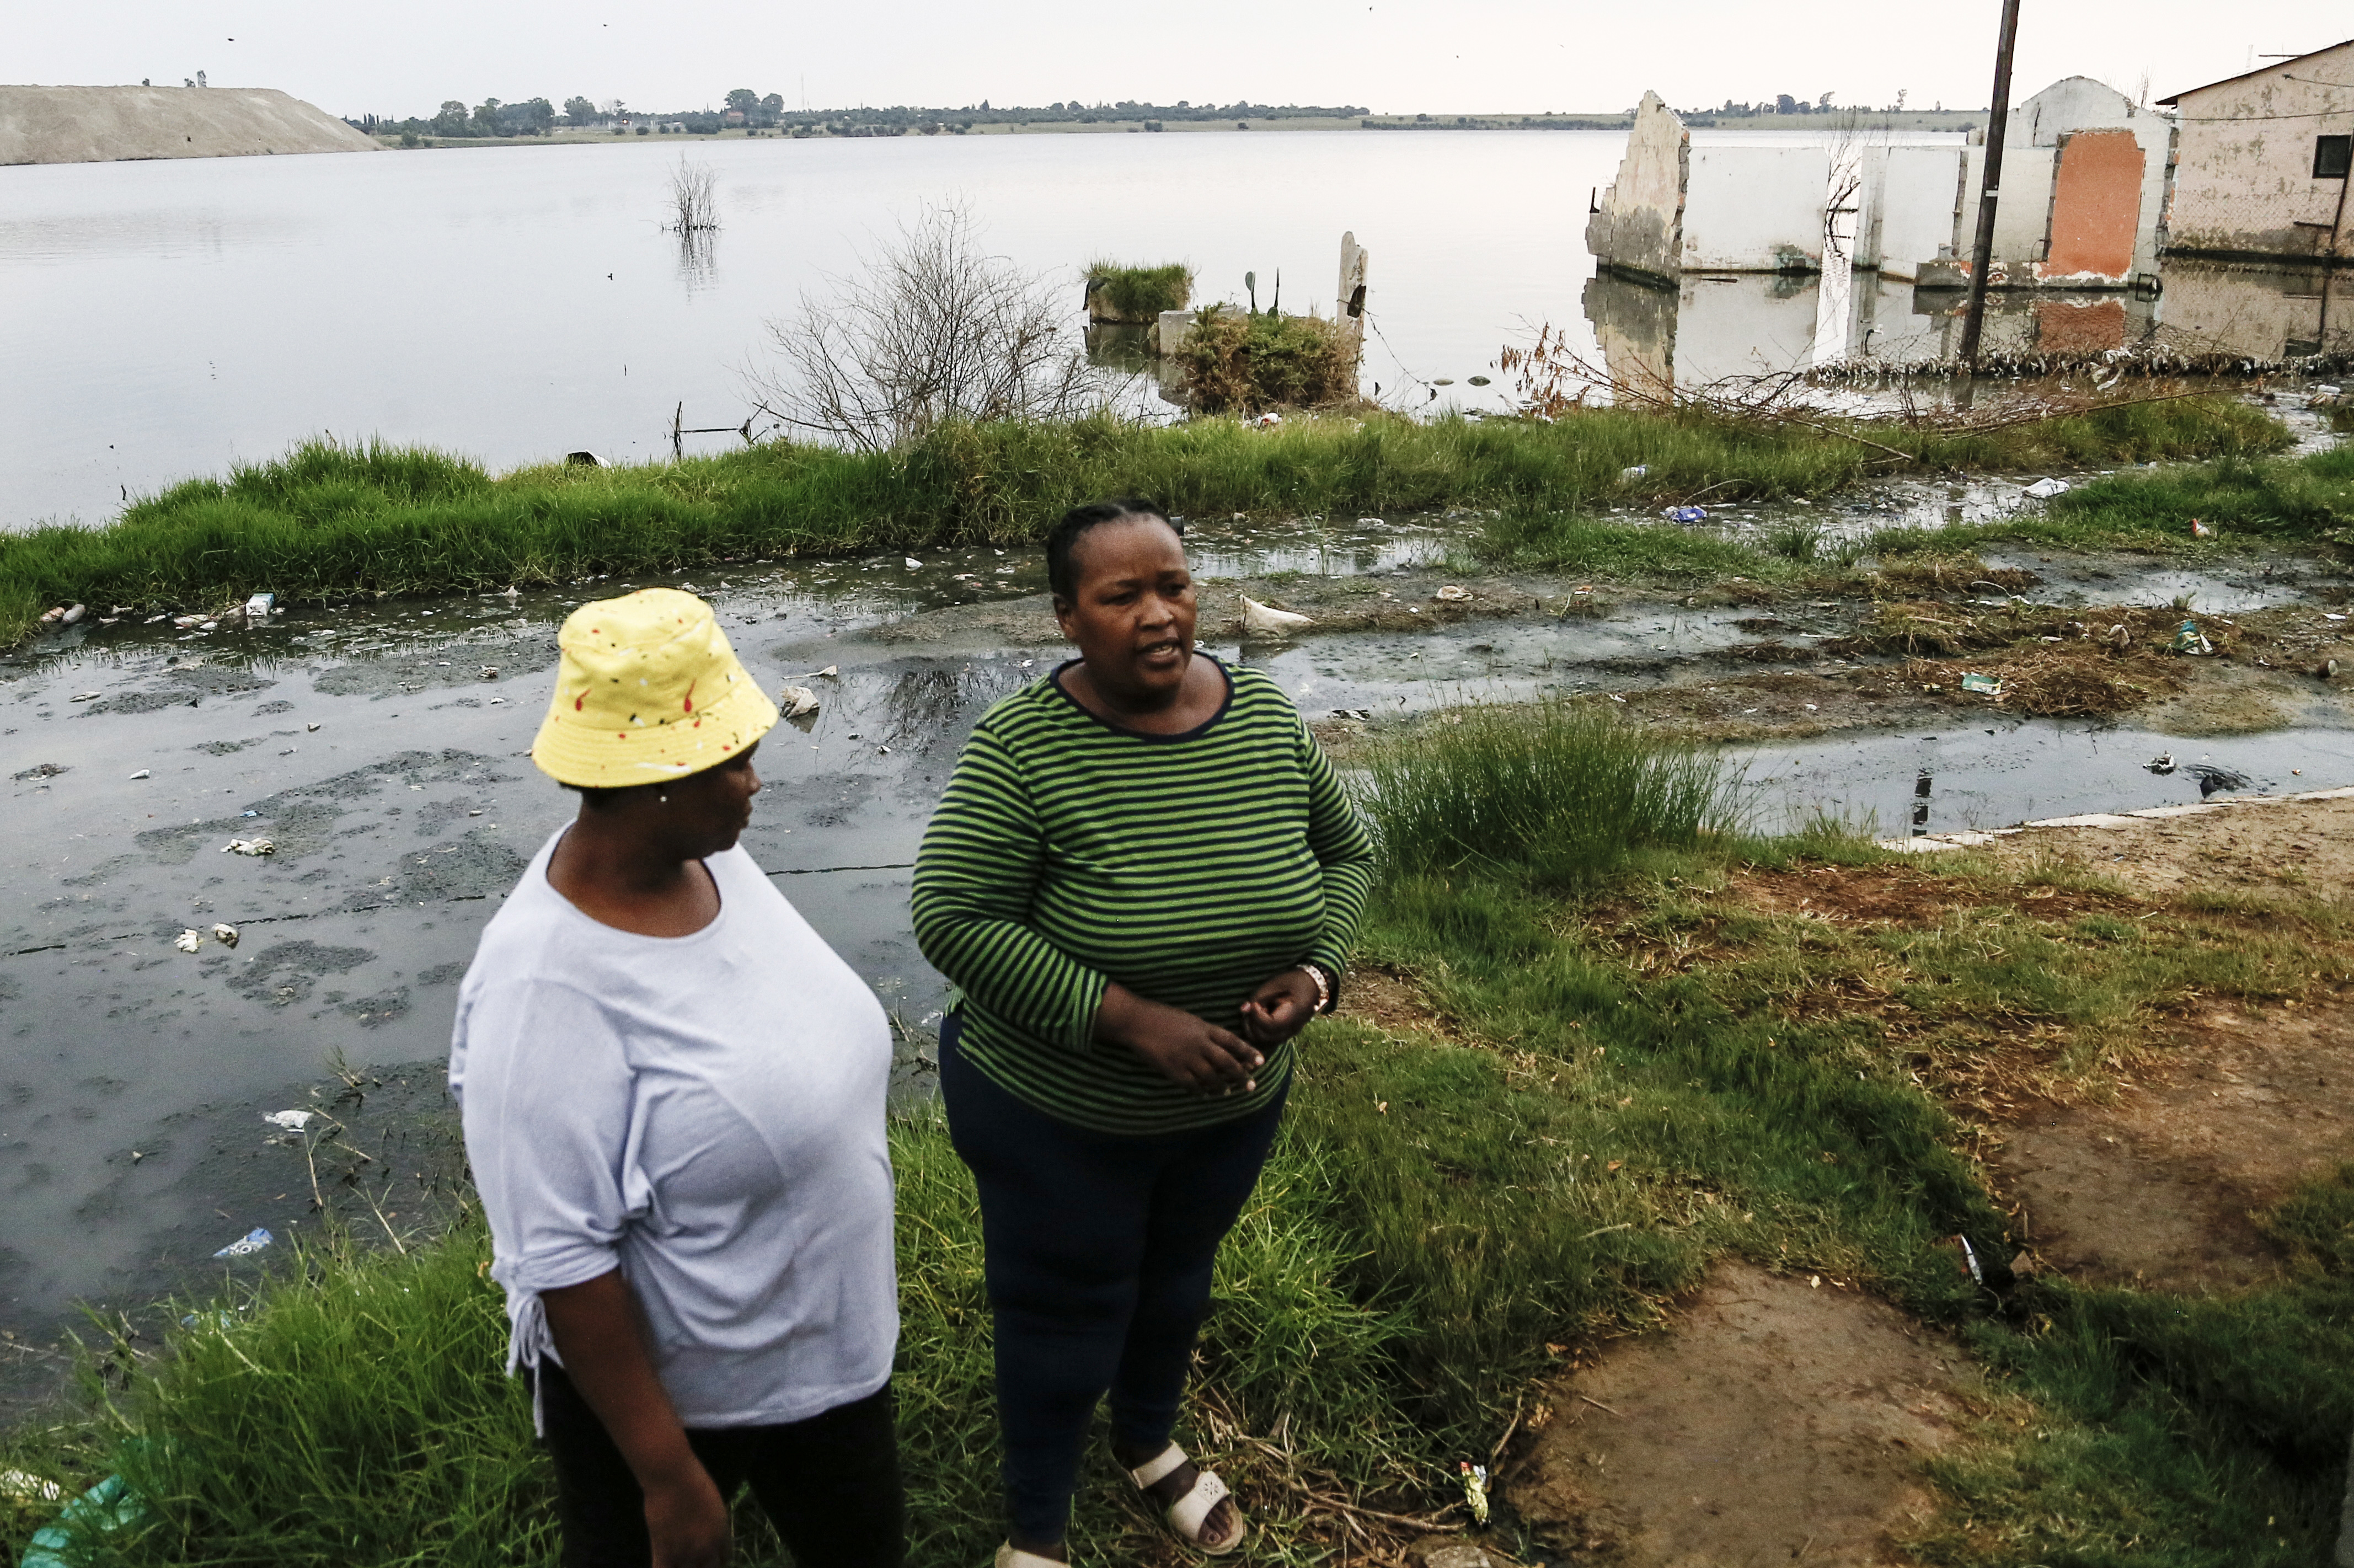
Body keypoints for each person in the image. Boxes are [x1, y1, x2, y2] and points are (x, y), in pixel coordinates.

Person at [911, 500, 1378, 1566]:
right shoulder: (1022, 748)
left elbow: (1351, 852)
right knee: (1061, 1312)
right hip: (1055, 1114)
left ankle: (1148, 1440)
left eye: (1173, 585)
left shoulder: (1264, 719)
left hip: (1230, 1106)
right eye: (1122, 596)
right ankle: (1037, 1528)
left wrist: (1318, 972)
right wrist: (1128, 1021)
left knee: (1176, 1282)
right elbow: (952, 914)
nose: (1160, 614)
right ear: (1067, 618)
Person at [450, 588, 904, 1568]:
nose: (753, 779)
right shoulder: (541, 988)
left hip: (823, 1362)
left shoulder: (708, 861)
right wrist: (667, 1477)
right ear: (652, 781)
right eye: (731, 760)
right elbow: (560, 1259)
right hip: (683, 1406)